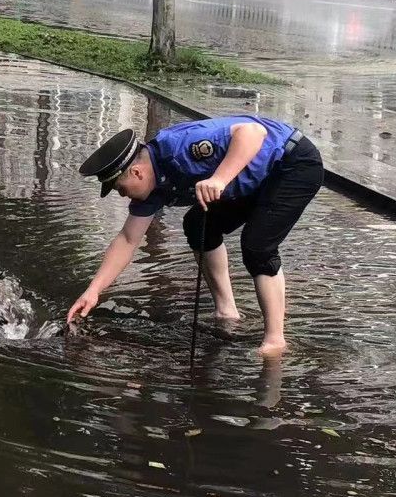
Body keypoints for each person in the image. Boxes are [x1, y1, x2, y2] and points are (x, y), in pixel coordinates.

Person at [67, 116, 323, 357]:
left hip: (292, 163)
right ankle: (227, 312)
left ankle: (275, 340)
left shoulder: (180, 148)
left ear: (137, 173)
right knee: (198, 223)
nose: (123, 196)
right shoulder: (151, 190)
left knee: (257, 245)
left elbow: (252, 132)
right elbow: (127, 239)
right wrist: (93, 291)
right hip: (255, 178)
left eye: (121, 189)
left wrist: (219, 179)